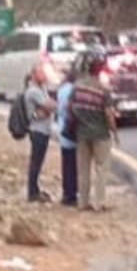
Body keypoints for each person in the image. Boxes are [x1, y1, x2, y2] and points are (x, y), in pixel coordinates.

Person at [70, 51, 119, 212]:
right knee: (101, 169)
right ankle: (99, 202)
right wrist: (114, 132)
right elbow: (109, 114)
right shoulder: (103, 90)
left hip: (82, 133)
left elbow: (70, 107)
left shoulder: (77, 87)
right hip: (100, 134)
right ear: (99, 71)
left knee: (83, 170)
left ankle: (83, 202)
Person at [23, 66, 55, 203]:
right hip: (38, 131)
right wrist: (46, 110)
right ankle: (32, 192)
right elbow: (51, 106)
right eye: (42, 73)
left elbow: (50, 106)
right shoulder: (34, 91)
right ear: (34, 75)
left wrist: (47, 110)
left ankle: (35, 189)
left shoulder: (42, 89)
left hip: (43, 130)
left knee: (38, 161)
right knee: (36, 162)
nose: (45, 75)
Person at [55, 69, 79, 207]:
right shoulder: (76, 90)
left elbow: (60, 110)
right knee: (75, 165)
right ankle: (73, 193)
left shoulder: (62, 90)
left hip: (64, 129)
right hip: (76, 131)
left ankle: (67, 194)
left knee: (66, 164)